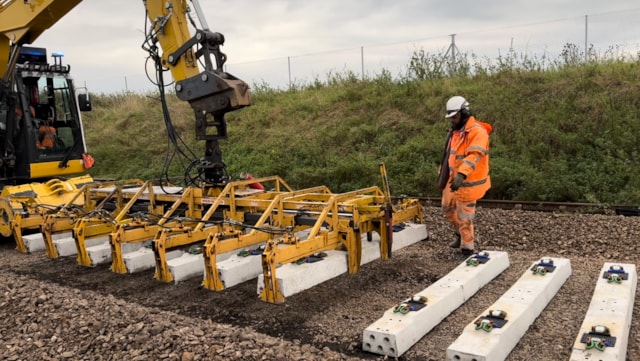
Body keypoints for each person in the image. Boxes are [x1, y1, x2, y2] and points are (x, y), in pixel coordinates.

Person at [437, 96, 492, 256]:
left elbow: (474, 154)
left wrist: (461, 174)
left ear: (464, 113)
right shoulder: (456, 132)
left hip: (468, 183)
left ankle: (467, 248)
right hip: (452, 180)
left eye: (455, 117)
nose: (452, 120)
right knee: (447, 208)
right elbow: (450, 155)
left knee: (465, 217)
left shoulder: (477, 132)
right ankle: (460, 234)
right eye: (451, 118)